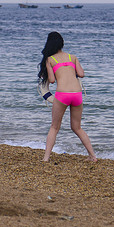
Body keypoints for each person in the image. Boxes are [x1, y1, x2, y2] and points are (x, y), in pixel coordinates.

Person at [39, 31, 97, 163]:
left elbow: (52, 80)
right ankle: (92, 156)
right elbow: (81, 74)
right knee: (77, 127)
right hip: (77, 94)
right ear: (62, 43)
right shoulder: (73, 57)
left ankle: (46, 158)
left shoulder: (50, 59)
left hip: (62, 95)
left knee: (54, 127)